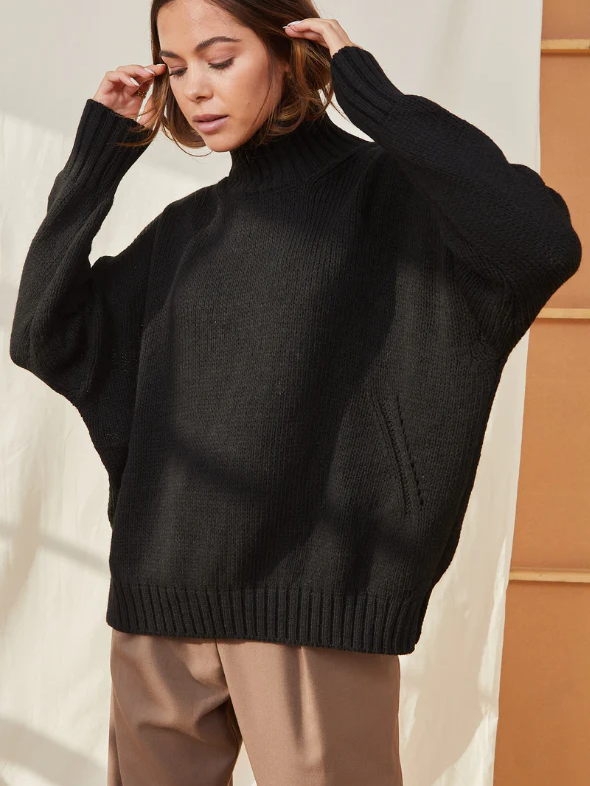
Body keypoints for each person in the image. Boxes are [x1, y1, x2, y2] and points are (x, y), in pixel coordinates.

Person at [9, 1, 582, 784]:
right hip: (157, 614)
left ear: (290, 52)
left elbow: (539, 241)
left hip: (312, 607)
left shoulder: (390, 197)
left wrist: (372, 98)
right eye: (175, 68)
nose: (195, 88)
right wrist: (98, 156)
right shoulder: (186, 231)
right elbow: (43, 333)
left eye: (220, 59)